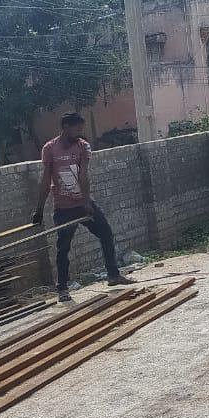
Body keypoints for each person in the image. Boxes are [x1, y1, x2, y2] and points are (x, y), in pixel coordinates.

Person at [31, 112, 136, 302]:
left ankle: (113, 275)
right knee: (63, 248)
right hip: (63, 207)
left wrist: (86, 202)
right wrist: (39, 210)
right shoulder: (50, 148)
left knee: (106, 233)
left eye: (81, 129)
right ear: (65, 127)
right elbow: (46, 180)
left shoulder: (83, 146)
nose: (79, 133)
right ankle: (62, 289)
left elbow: (83, 175)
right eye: (76, 129)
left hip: (83, 203)